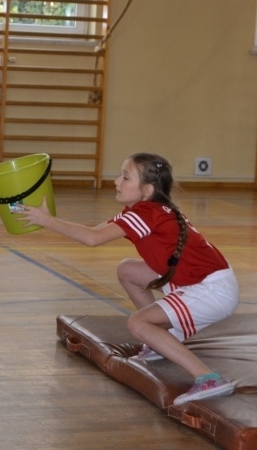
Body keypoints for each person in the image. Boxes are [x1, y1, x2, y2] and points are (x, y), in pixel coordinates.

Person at [17, 152, 238, 406]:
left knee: (138, 323)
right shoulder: (144, 210)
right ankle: (161, 338)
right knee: (127, 270)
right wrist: (50, 221)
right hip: (201, 281)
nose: (116, 181)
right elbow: (94, 232)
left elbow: (92, 239)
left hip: (211, 290)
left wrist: (47, 221)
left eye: (125, 177)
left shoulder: (145, 213)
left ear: (147, 190)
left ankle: (209, 378)